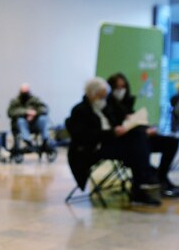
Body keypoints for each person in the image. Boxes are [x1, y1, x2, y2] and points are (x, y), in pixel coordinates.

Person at [67, 77, 161, 206]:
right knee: (136, 147)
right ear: (91, 94)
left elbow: (120, 119)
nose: (103, 100)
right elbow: (83, 136)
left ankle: (143, 182)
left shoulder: (106, 107)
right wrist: (112, 132)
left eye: (105, 97)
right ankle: (143, 181)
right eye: (100, 96)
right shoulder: (80, 110)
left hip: (110, 142)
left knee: (138, 136)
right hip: (92, 148)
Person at [105, 72, 179, 197]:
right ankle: (142, 185)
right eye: (117, 88)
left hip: (138, 137)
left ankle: (161, 176)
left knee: (171, 142)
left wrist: (147, 128)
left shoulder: (127, 103)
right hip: (123, 141)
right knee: (139, 140)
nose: (121, 90)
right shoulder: (107, 105)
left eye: (123, 87)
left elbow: (134, 120)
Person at [8, 84, 53, 150]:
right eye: (23, 93)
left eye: (26, 92)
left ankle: (45, 140)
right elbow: (10, 112)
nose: (25, 94)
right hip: (22, 125)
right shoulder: (15, 101)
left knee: (43, 119)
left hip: (35, 124)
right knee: (21, 120)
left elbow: (44, 109)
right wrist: (26, 112)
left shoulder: (35, 99)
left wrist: (35, 114)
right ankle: (28, 141)